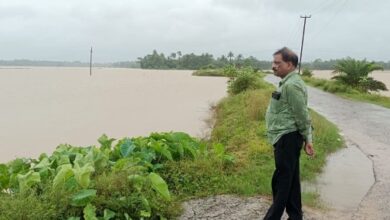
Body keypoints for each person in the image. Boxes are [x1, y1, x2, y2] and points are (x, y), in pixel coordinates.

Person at [264, 47, 315, 220]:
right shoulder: (287, 82)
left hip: (288, 138)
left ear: (290, 64)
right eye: (273, 62)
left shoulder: (292, 85)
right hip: (286, 138)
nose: (274, 66)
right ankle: (295, 216)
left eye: (278, 63)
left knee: (282, 182)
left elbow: (302, 115)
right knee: (291, 181)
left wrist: (308, 138)